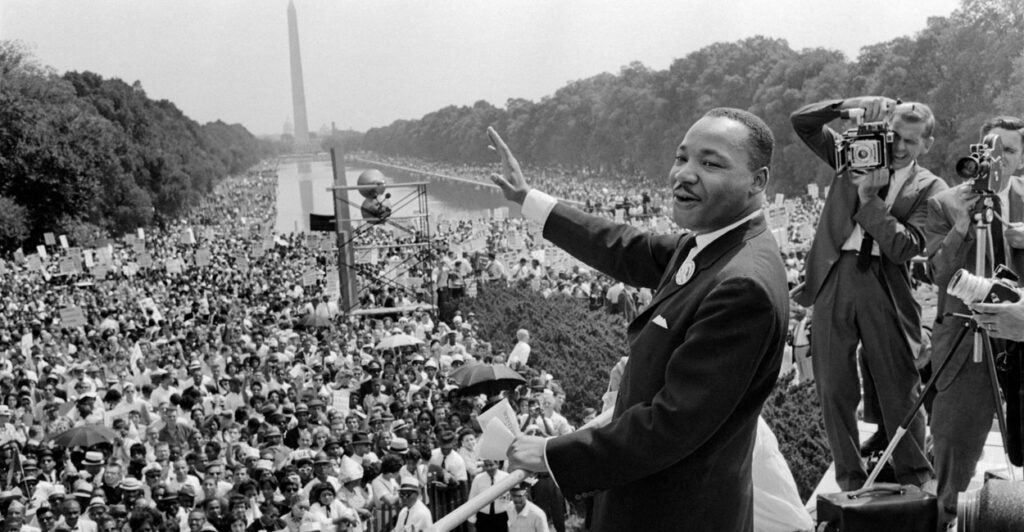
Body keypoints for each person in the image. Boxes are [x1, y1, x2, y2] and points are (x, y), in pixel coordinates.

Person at [492, 107, 789, 531]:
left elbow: (672, 424)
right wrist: (528, 199)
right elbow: (625, 248)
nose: (684, 173)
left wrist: (553, 453)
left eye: (710, 163)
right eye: (681, 157)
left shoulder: (743, 285)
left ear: (757, 181)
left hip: (677, 513)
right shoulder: (715, 244)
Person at [791, 96, 946, 491]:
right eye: (893, 135)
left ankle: (915, 476)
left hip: (885, 282)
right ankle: (849, 479)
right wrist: (849, 105)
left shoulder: (931, 187)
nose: (897, 147)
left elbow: (906, 247)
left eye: (910, 141)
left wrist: (868, 200)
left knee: (899, 385)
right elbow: (803, 122)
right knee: (833, 386)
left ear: (926, 145)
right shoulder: (853, 154)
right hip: (834, 275)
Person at [925, 115, 1024, 527]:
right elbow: (938, 274)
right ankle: (946, 513)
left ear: (1022, 157)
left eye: (1010, 150)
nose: (999, 157)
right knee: (954, 438)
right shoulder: (946, 202)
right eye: (991, 147)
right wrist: (962, 226)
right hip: (965, 334)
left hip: (1019, 331)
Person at [468, 460, 509, 532]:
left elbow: (511, 499)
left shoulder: (506, 477)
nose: (489, 468)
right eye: (486, 465)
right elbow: (472, 500)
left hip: (502, 518)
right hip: (483, 518)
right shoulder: (478, 479)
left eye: (491, 465)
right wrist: (471, 520)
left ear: (497, 464)